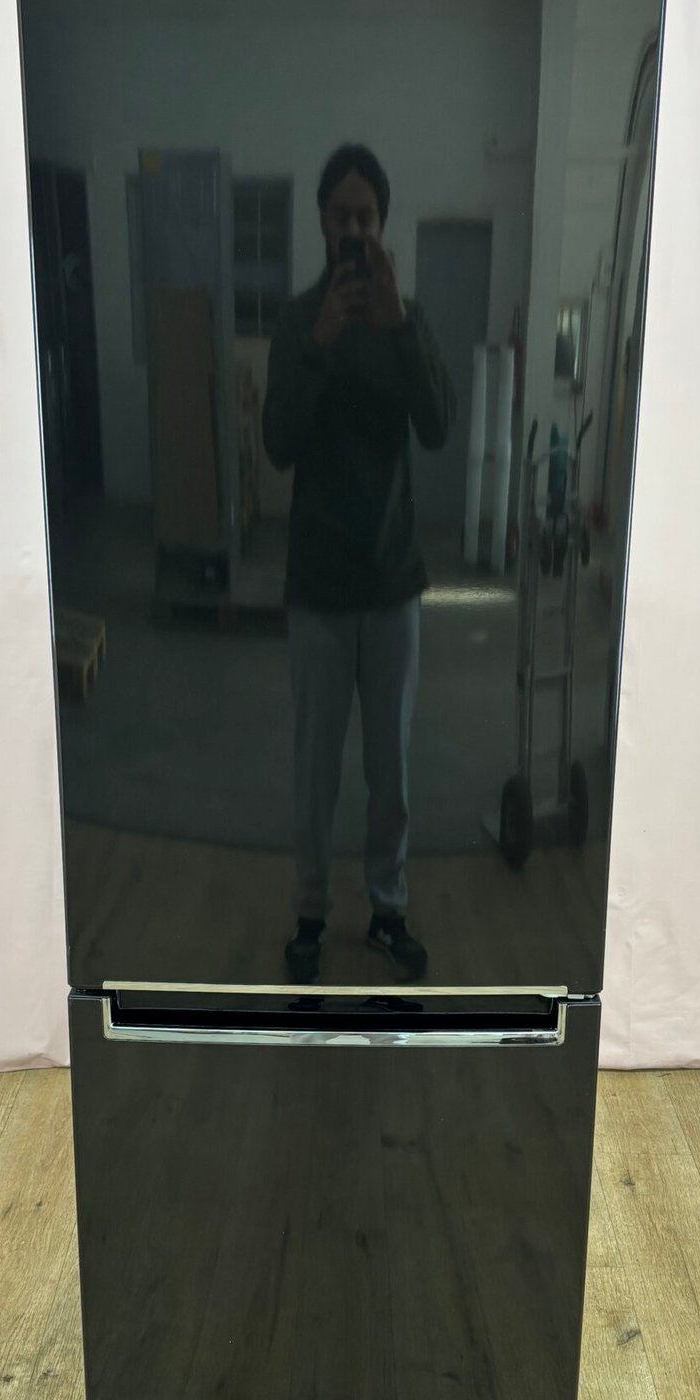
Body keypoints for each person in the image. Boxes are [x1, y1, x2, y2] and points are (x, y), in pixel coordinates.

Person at [262, 143, 457, 984]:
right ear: (321, 221)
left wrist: (396, 325)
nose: (353, 228)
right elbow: (277, 442)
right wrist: (321, 341)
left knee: (391, 769)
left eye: (365, 217)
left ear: (382, 225)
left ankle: (387, 909)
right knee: (316, 771)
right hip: (318, 585)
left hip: (392, 583)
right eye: (341, 215)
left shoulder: (405, 320)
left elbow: (439, 425)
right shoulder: (297, 321)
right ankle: (310, 913)